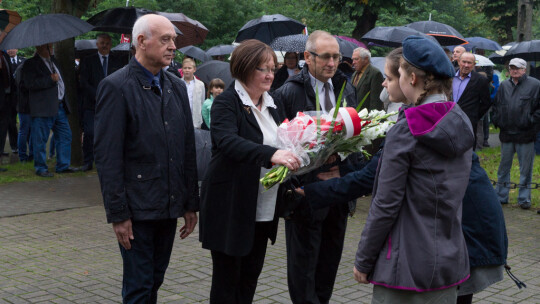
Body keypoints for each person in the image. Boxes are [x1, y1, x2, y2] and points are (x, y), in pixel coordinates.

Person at [354, 35, 474, 303]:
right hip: (448, 260)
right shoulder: (459, 119)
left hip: (404, 265)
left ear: (412, 78)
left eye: (397, 73)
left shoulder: (407, 128)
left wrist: (363, 259)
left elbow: (386, 203)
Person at [93, 14, 199, 303]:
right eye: (165, 39)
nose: (173, 46)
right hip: (137, 208)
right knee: (139, 286)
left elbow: (187, 147)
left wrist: (190, 203)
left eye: (174, 40)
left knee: (155, 279)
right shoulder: (116, 87)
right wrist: (118, 214)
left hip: (168, 204)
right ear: (141, 41)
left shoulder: (176, 85)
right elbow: (107, 157)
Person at [199, 39, 301, 304]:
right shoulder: (226, 102)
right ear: (244, 68)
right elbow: (228, 141)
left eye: (273, 69)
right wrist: (272, 154)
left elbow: (285, 141)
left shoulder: (273, 103)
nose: (270, 75)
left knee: (249, 281)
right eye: (262, 69)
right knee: (226, 285)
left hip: (264, 208)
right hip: (231, 206)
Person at [273, 30, 357, 304]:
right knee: (303, 268)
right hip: (306, 195)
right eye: (326, 57)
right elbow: (280, 143)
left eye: (336, 57)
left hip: (338, 192)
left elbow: (356, 140)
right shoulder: (289, 91)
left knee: (329, 264)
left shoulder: (346, 87)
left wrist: (346, 173)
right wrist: (293, 188)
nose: (332, 63)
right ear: (307, 57)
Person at [22, 43, 76, 177]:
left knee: (65, 135)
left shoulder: (54, 61)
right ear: (39, 48)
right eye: (48, 47)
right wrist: (49, 79)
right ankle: (40, 168)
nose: (50, 49)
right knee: (40, 138)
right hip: (43, 108)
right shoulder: (30, 64)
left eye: (51, 47)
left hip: (60, 106)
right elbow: (29, 84)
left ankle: (63, 165)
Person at [492, 58, 540, 210]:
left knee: (526, 170)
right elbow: (496, 106)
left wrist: (530, 120)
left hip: (526, 134)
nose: (514, 70)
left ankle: (524, 199)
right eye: (512, 68)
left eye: (518, 68)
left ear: (524, 69)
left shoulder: (535, 85)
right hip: (506, 134)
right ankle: (501, 196)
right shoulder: (504, 85)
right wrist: (497, 120)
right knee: (503, 168)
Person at [79, 33, 122, 171]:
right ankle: (87, 161)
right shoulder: (88, 60)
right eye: (102, 43)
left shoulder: (117, 60)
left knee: (111, 134)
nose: (105, 46)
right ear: (97, 44)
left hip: (112, 104)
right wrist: (97, 95)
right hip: (92, 104)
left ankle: (107, 161)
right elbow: (83, 82)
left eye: (107, 43)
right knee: (90, 133)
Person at [452, 52, 491, 148]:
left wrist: (474, 116)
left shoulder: (481, 80)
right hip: (449, 120)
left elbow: (486, 103)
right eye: (464, 62)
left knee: (467, 150)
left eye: (469, 63)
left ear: (474, 64)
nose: (466, 65)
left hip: (468, 122)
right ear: (459, 62)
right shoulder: (450, 76)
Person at [181, 58, 205, 129]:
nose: (187, 70)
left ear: (194, 69)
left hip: (196, 120)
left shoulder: (200, 84)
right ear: (182, 69)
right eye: (185, 68)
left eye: (189, 68)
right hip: (182, 120)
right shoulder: (178, 83)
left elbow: (202, 102)